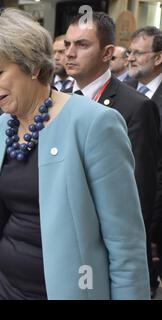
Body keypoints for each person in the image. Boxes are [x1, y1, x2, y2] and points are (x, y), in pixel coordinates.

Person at [0, 8, 150, 299]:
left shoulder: (94, 123)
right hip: (1, 288)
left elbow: (125, 241)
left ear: (32, 66)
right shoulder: (2, 125)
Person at [65, 12, 160, 298]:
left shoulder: (134, 106)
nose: (69, 53)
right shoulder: (56, 101)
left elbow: (139, 188)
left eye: (81, 45)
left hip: (108, 245)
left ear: (107, 53)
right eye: (68, 44)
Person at [125, 26, 162, 296]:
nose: (131, 58)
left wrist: (152, 227)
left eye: (139, 53)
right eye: (129, 52)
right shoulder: (125, 92)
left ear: (158, 58)